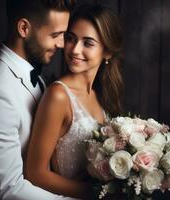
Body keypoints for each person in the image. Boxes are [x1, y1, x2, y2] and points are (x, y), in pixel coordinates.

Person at [0, 0, 77, 199]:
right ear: (24, 28)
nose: (62, 44)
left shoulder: (33, 74)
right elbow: (10, 190)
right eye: (55, 35)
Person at [25, 4, 124, 199]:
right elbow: (35, 174)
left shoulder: (100, 96)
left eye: (88, 43)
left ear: (107, 52)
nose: (75, 49)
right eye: (71, 39)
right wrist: (96, 194)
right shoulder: (58, 95)